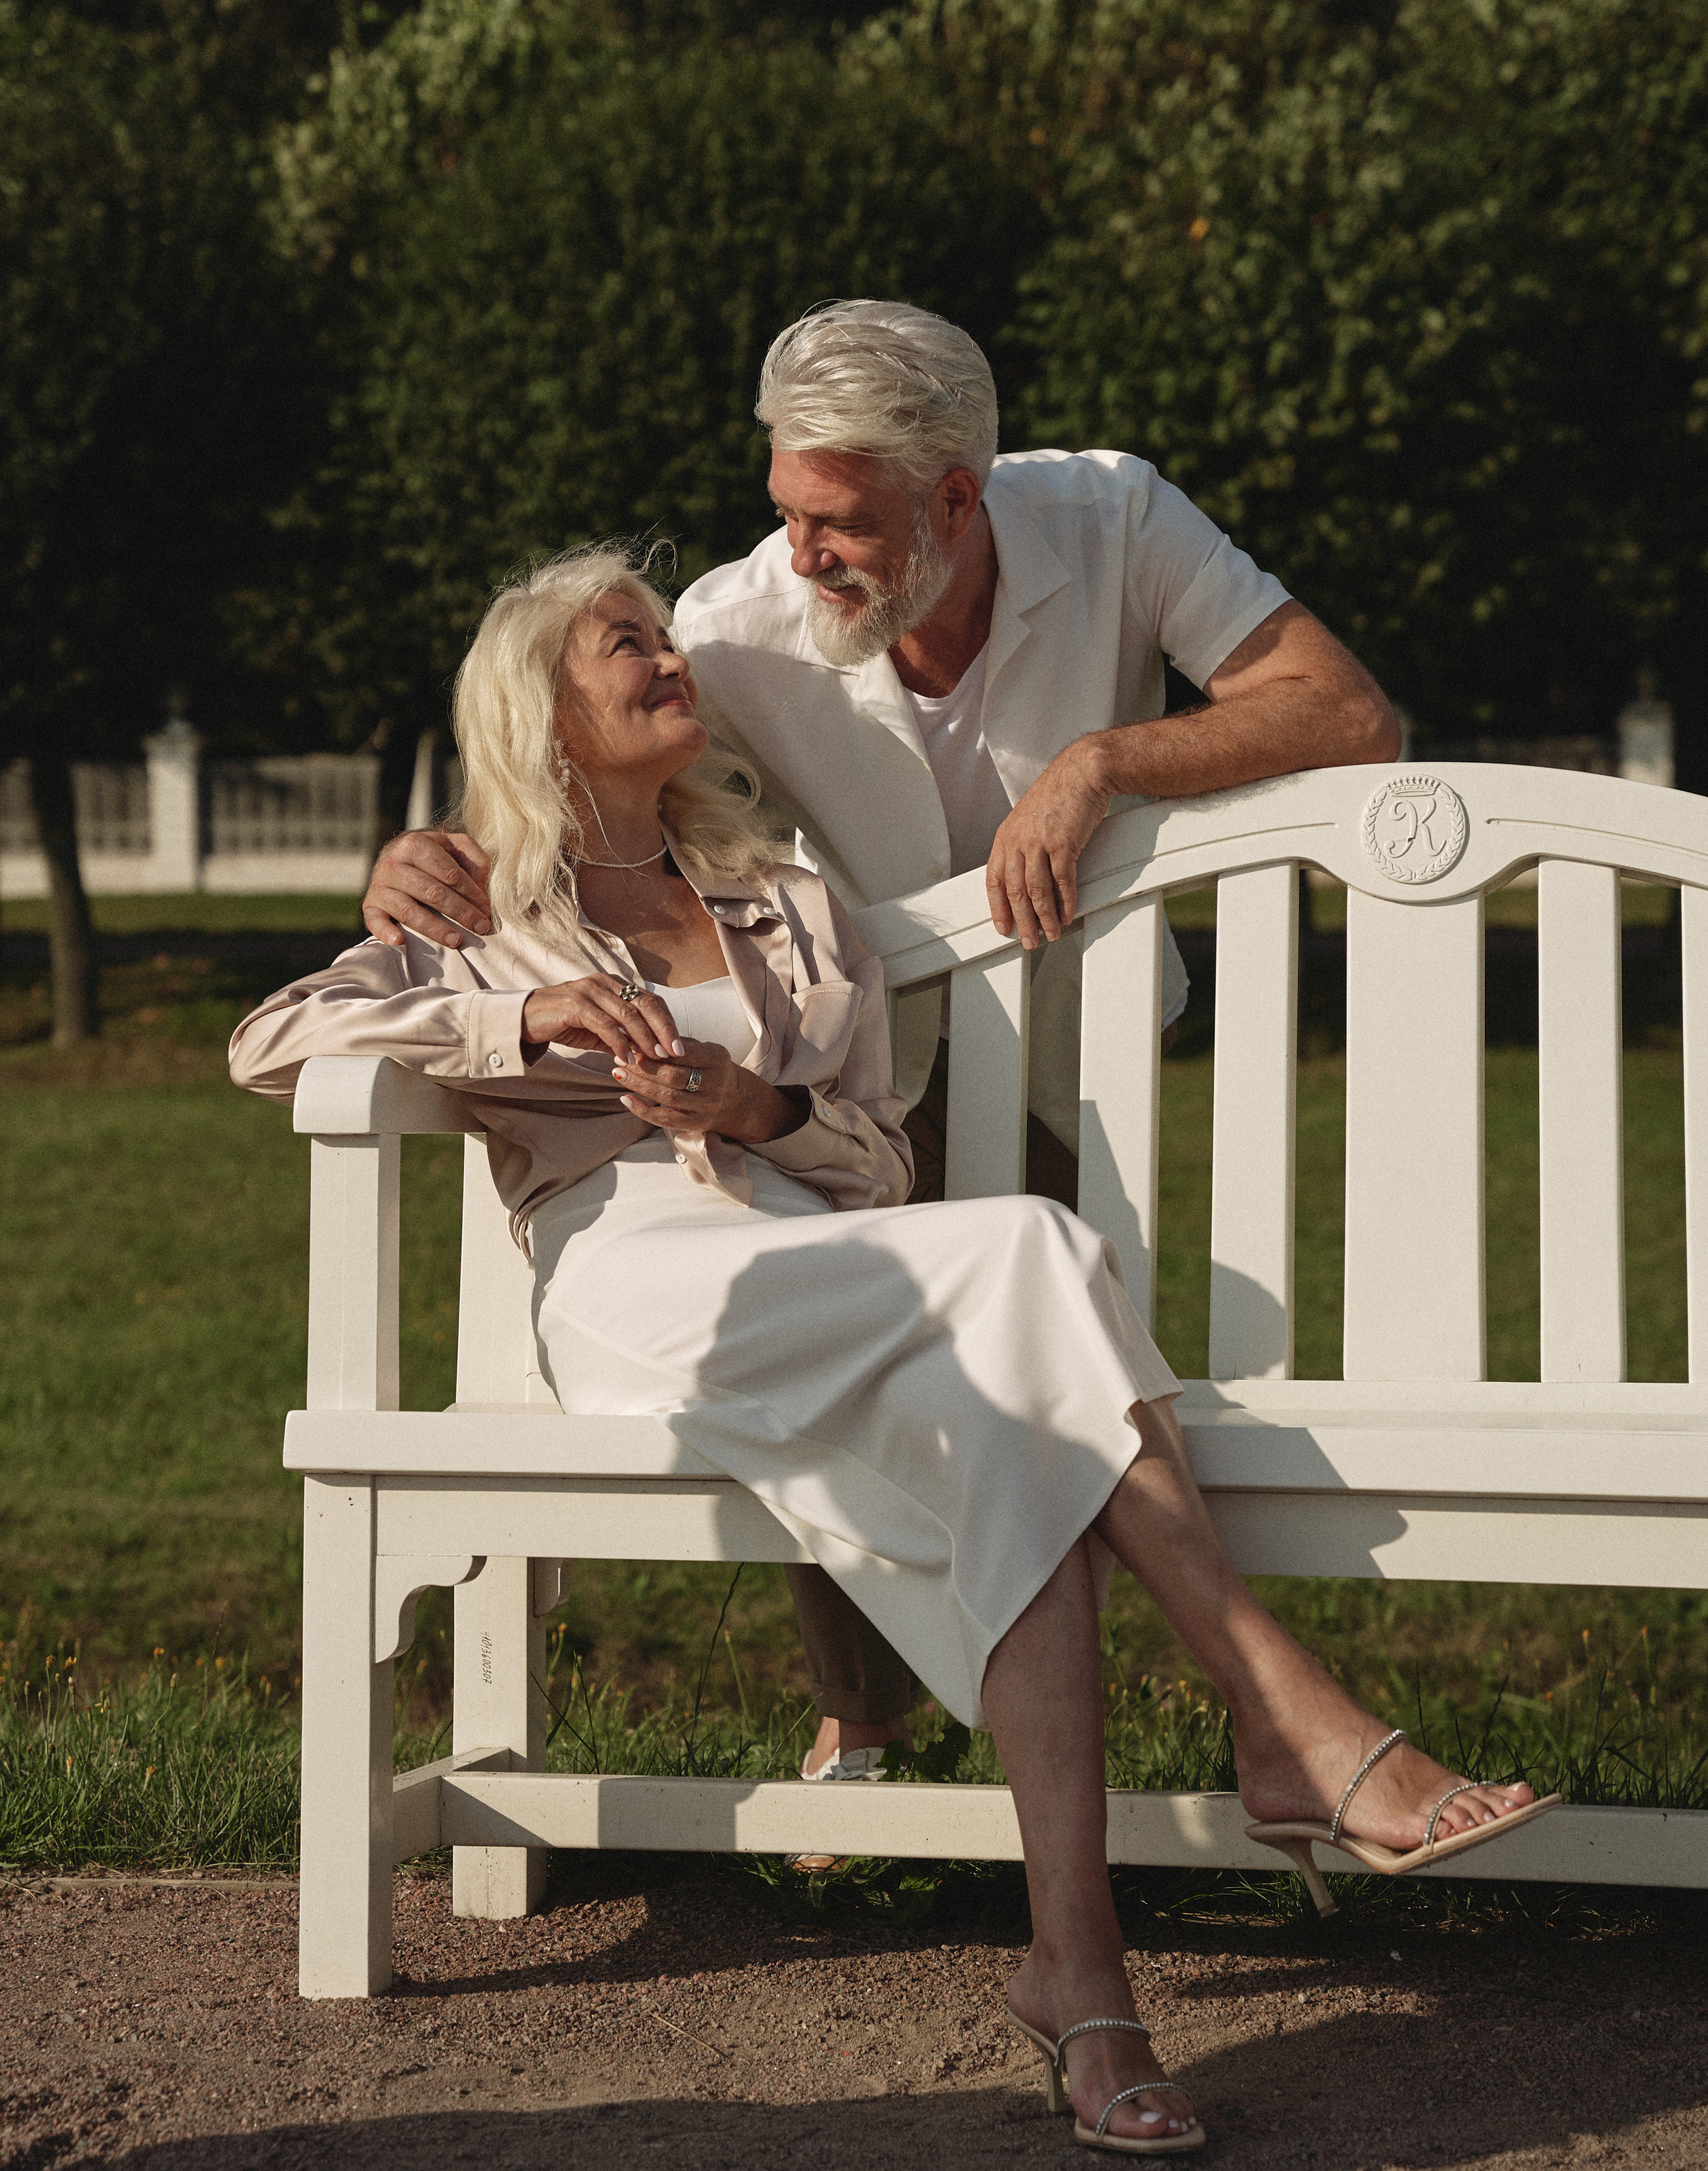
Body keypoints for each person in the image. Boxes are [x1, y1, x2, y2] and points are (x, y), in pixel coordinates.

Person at [233, 549, 1551, 2156]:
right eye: (622, 645)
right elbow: (272, 1039)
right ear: (543, 713)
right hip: (640, 1279)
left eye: (664, 633)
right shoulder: (477, 906)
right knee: (1038, 1249)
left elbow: (872, 1162)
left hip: (818, 1250)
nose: (667, 657)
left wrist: (758, 1108)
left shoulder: (784, 905)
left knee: (1021, 1448)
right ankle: (1285, 1717)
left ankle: (1083, 1986)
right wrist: (528, 1024)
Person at [362, 301, 1403, 1787]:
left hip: (1092, 1048)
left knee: (990, 1316)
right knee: (826, 1271)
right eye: (784, 511)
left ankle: (1031, 1734)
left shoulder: (1113, 515)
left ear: (957, 497)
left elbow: (1343, 713)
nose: (803, 554)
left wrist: (1099, 764)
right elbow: (578, 754)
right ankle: (879, 1719)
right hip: (865, 1068)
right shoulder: (736, 620)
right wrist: (428, 862)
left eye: (838, 523)